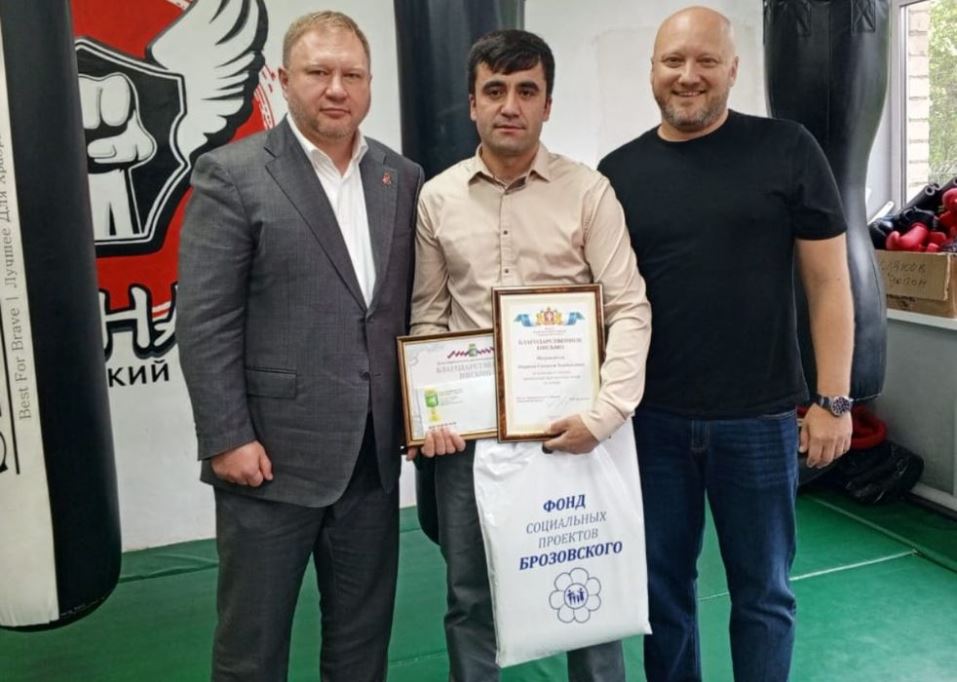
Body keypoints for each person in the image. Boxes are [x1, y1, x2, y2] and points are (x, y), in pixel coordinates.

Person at [597, 7, 855, 682]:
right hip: (651, 420)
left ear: (733, 70)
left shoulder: (787, 148)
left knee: (763, 593)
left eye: (706, 61)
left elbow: (829, 282)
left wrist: (833, 398)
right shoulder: (617, 172)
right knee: (661, 592)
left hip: (759, 418)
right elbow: (602, 300)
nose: (688, 75)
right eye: (673, 61)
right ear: (652, 70)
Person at [177, 11, 423, 681]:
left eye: (352, 75)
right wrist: (227, 436)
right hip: (268, 460)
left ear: (369, 83)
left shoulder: (401, 177)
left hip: (371, 461)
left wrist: (421, 413)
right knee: (251, 653)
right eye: (319, 73)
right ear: (284, 80)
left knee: (361, 648)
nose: (337, 89)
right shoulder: (232, 174)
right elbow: (204, 320)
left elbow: (402, 312)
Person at [409, 29, 652, 682]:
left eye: (526, 90)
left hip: (573, 430)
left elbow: (629, 308)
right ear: (472, 104)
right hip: (472, 436)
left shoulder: (588, 192)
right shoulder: (437, 198)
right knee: (469, 594)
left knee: (589, 595)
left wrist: (605, 413)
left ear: (547, 103)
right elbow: (429, 316)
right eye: (494, 91)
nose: (509, 106)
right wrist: (431, 413)